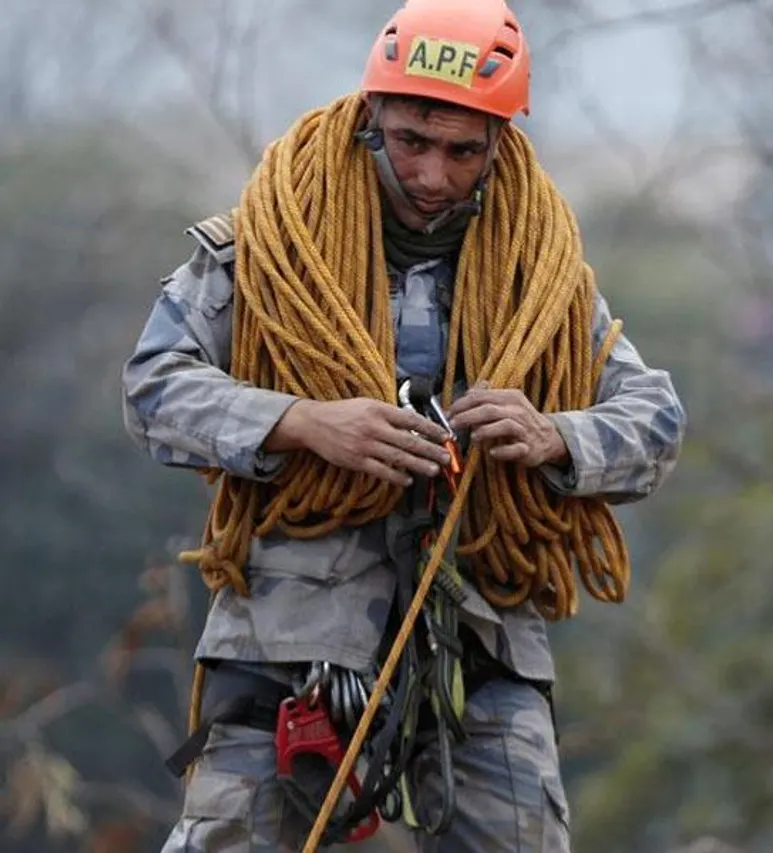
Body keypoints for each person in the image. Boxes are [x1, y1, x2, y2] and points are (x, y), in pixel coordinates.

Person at [121, 0, 685, 850]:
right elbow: (153, 388)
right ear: (370, 118)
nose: (431, 174)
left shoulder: (543, 279)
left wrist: (555, 435)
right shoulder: (267, 248)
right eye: (411, 141)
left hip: (481, 639)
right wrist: (301, 423)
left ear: (498, 145)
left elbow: (655, 419)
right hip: (284, 640)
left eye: (463, 151)